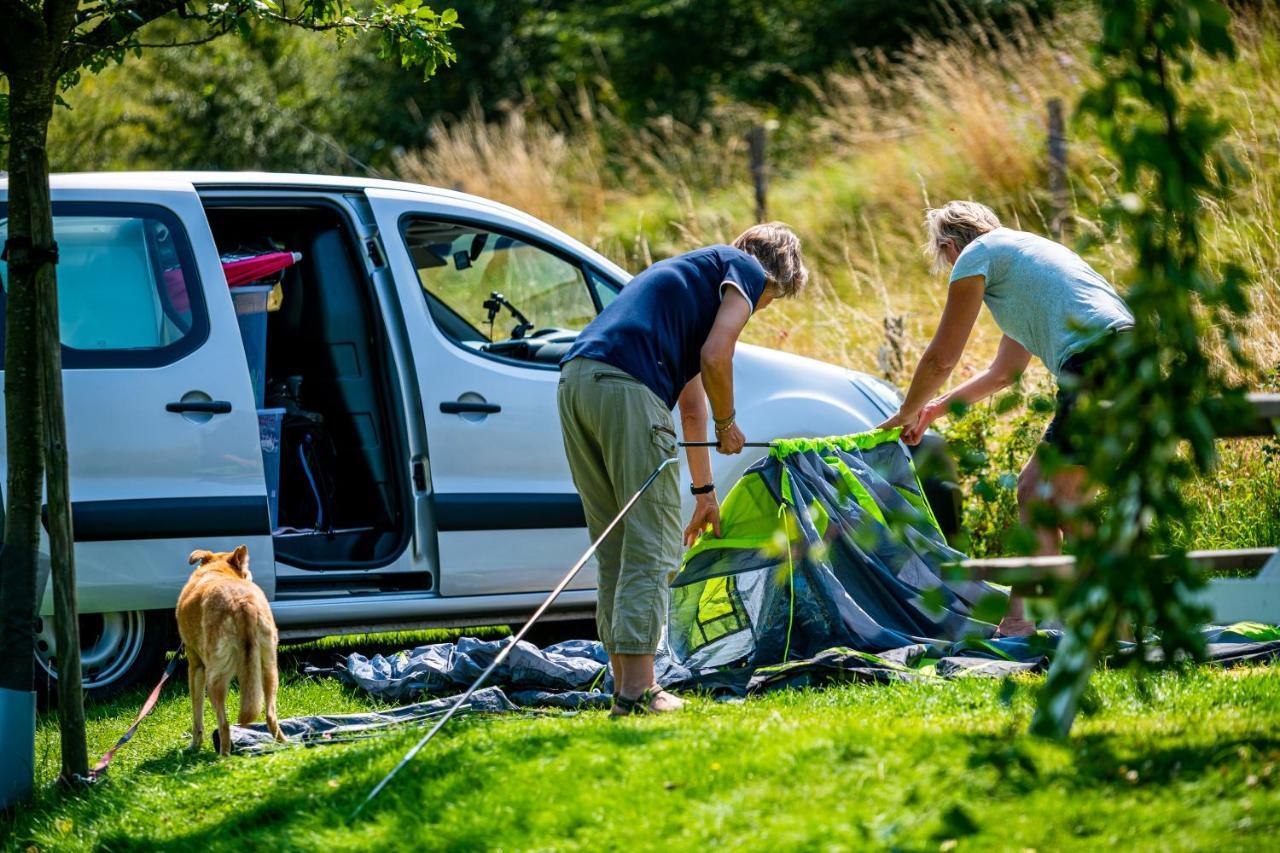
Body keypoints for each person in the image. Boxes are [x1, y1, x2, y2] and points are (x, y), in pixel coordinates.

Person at [558, 224, 808, 715]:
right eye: (771, 300)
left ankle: (623, 685)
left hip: (578, 382)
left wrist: (705, 492)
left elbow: (689, 410)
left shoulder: (687, 288)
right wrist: (730, 421)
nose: (760, 308)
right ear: (776, 275)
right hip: (627, 388)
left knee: (617, 546)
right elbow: (718, 356)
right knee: (651, 546)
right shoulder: (746, 270)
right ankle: (640, 693)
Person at [878, 201, 1133, 636]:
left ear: (948, 246)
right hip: (1127, 361)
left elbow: (942, 357)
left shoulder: (977, 255)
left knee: (1057, 495)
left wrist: (902, 412)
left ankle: (1100, 619)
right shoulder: (1020, 261)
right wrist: (936, 409)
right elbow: (1005, 372)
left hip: (1099, 364)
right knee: (1042, 493)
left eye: (944, 259)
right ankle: (1029, 622)